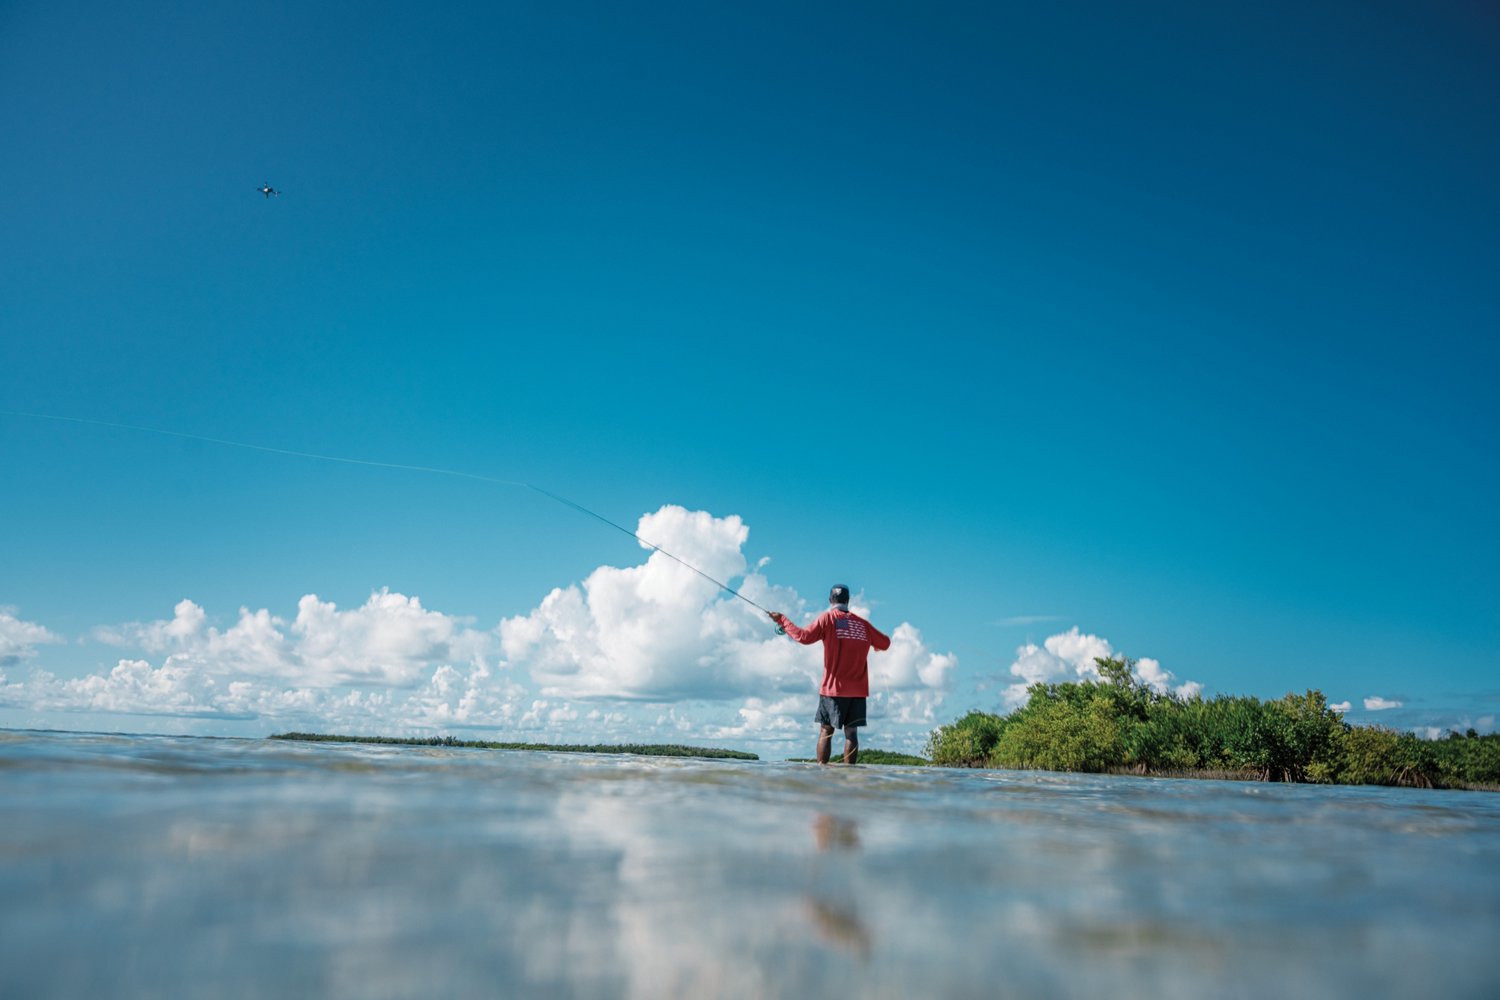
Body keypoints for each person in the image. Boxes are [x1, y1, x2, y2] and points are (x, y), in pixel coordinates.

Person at [769, 585, 890, 765]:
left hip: (832, 690)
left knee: (826, 731)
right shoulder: (863, 625)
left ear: (829, 601)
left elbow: (803, 637)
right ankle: (850, 778)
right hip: (857, 692)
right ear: (848, 601)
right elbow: (886, 643)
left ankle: (822, 776)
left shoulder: (827, 619)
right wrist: (873, 644)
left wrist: (782, 620)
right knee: (852, 734)